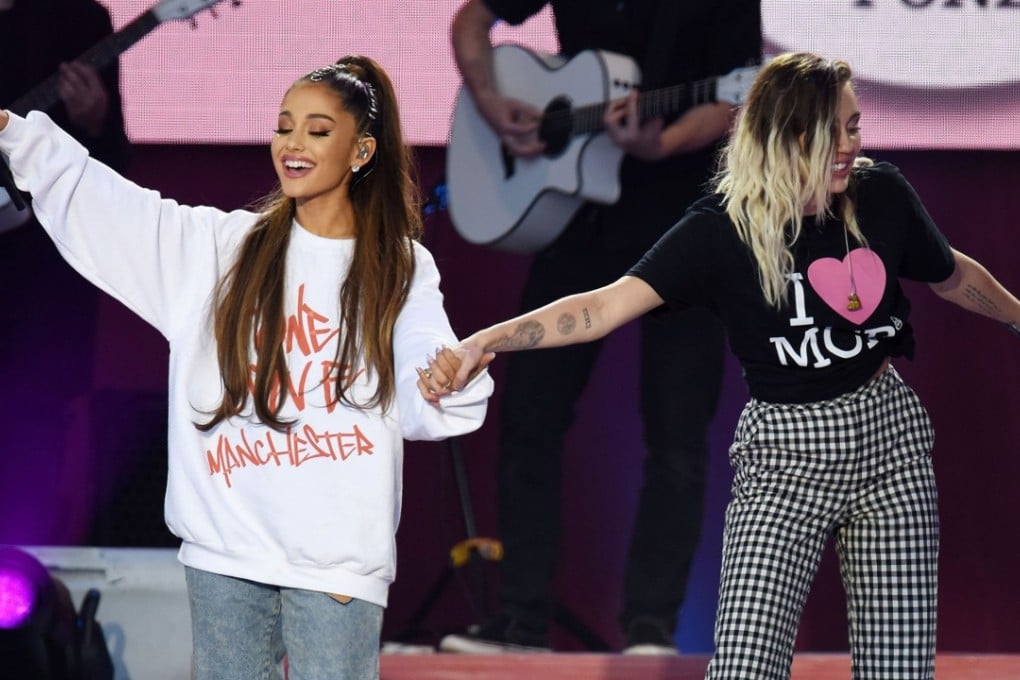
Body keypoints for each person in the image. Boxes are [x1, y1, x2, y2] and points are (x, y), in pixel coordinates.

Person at [425, 52, 1020, 678]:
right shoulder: (720, 228)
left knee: (898, 669)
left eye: (855, 127)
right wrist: (481, 342)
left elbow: (952, 276)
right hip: (785, 458)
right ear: (788, 135)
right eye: (833, 131)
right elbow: (601, 308)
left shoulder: (883, 196)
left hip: (887, 445)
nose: (849, 145)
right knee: (745, 668)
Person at [0, 55, 494, 679]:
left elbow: (425, 351)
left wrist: (443, 377)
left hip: (334, 557)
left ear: (361, 151)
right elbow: (114, 210)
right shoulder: (219, 251)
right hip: (226, 553)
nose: (292, 144)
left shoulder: (397, 264)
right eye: (285, 126)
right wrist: (15, 133)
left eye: (317, 131)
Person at [442, 0, 762, 655]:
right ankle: (521, 623)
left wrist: (662, 141)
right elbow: (472, 19)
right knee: (529, 412)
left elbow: (737, 94)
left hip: (686, 219)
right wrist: (490, 99)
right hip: (578, 217)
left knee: (677, 430)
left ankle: (652, 628)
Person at [0, 0, 130, 544]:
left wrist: (95, 121)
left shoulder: (79, 22)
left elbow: (117, 173)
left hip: (39, 294)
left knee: (31, 461)